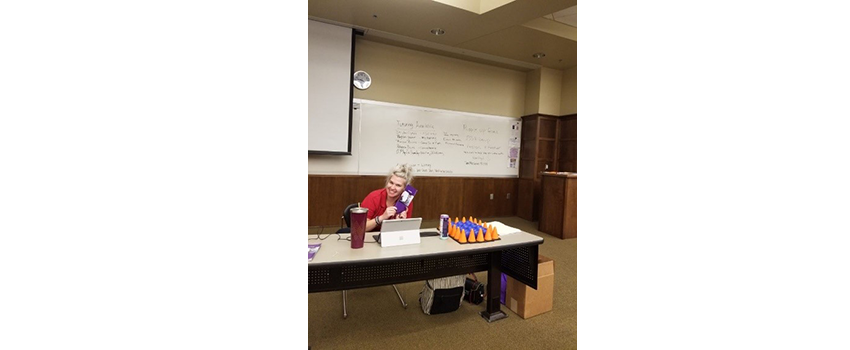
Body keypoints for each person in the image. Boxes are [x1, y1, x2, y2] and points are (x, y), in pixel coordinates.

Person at [362, 164, 414, 232]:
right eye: (391, 182)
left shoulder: (406, 202)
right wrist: (382, 218)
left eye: (398, 185)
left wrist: (400, 223)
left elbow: (404, 233)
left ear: (404, 189)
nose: (392, 188)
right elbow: (360, 228)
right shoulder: (374, 197)